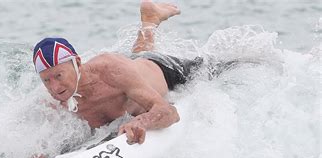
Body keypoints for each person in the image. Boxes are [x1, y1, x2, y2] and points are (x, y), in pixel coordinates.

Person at [33, 0, 201, 145]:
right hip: (133, 67)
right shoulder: (53, 103)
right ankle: (150, 20)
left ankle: (150, 22)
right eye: (46, 81)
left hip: (166, 70)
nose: (54, 87)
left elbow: (169, 112)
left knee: (216, 68)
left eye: (59, 76)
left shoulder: (112, 72)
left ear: (77, 62)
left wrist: (142, 122)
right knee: (137, 56)